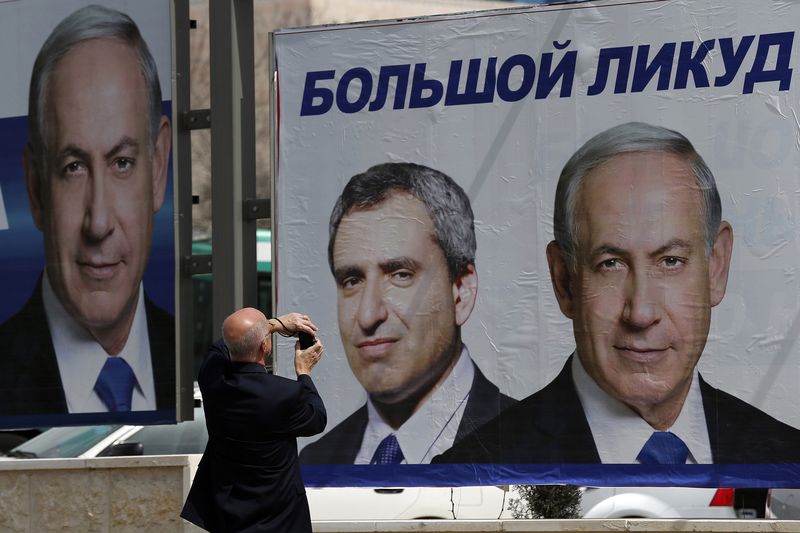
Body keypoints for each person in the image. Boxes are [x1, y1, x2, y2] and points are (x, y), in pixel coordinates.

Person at [435, 122, 800, 464]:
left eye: (671, 261)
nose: (640, 313)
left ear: (716, 267)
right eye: (611, 264)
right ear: (564, 280)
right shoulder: (472, 475)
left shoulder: (788, 459)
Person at [0, 5, 174, 415]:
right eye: (73, 167)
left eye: (122, 163)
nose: (98, 223)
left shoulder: (206, 366)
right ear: (35, 187)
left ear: (159, 167)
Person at [300, 162, 515, 465]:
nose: (368, 314)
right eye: (351, 280)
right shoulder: (315, 461)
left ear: (461, 291)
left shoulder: (529, 446)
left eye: (400, 274)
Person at [181, 309, 326, 532]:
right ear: (264, 347)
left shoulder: (213, 382)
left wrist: (271, 325)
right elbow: (317, 419)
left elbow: (220, 347)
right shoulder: (284, 394)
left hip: (229, 519)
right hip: (281, 522)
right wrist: (304, 372)